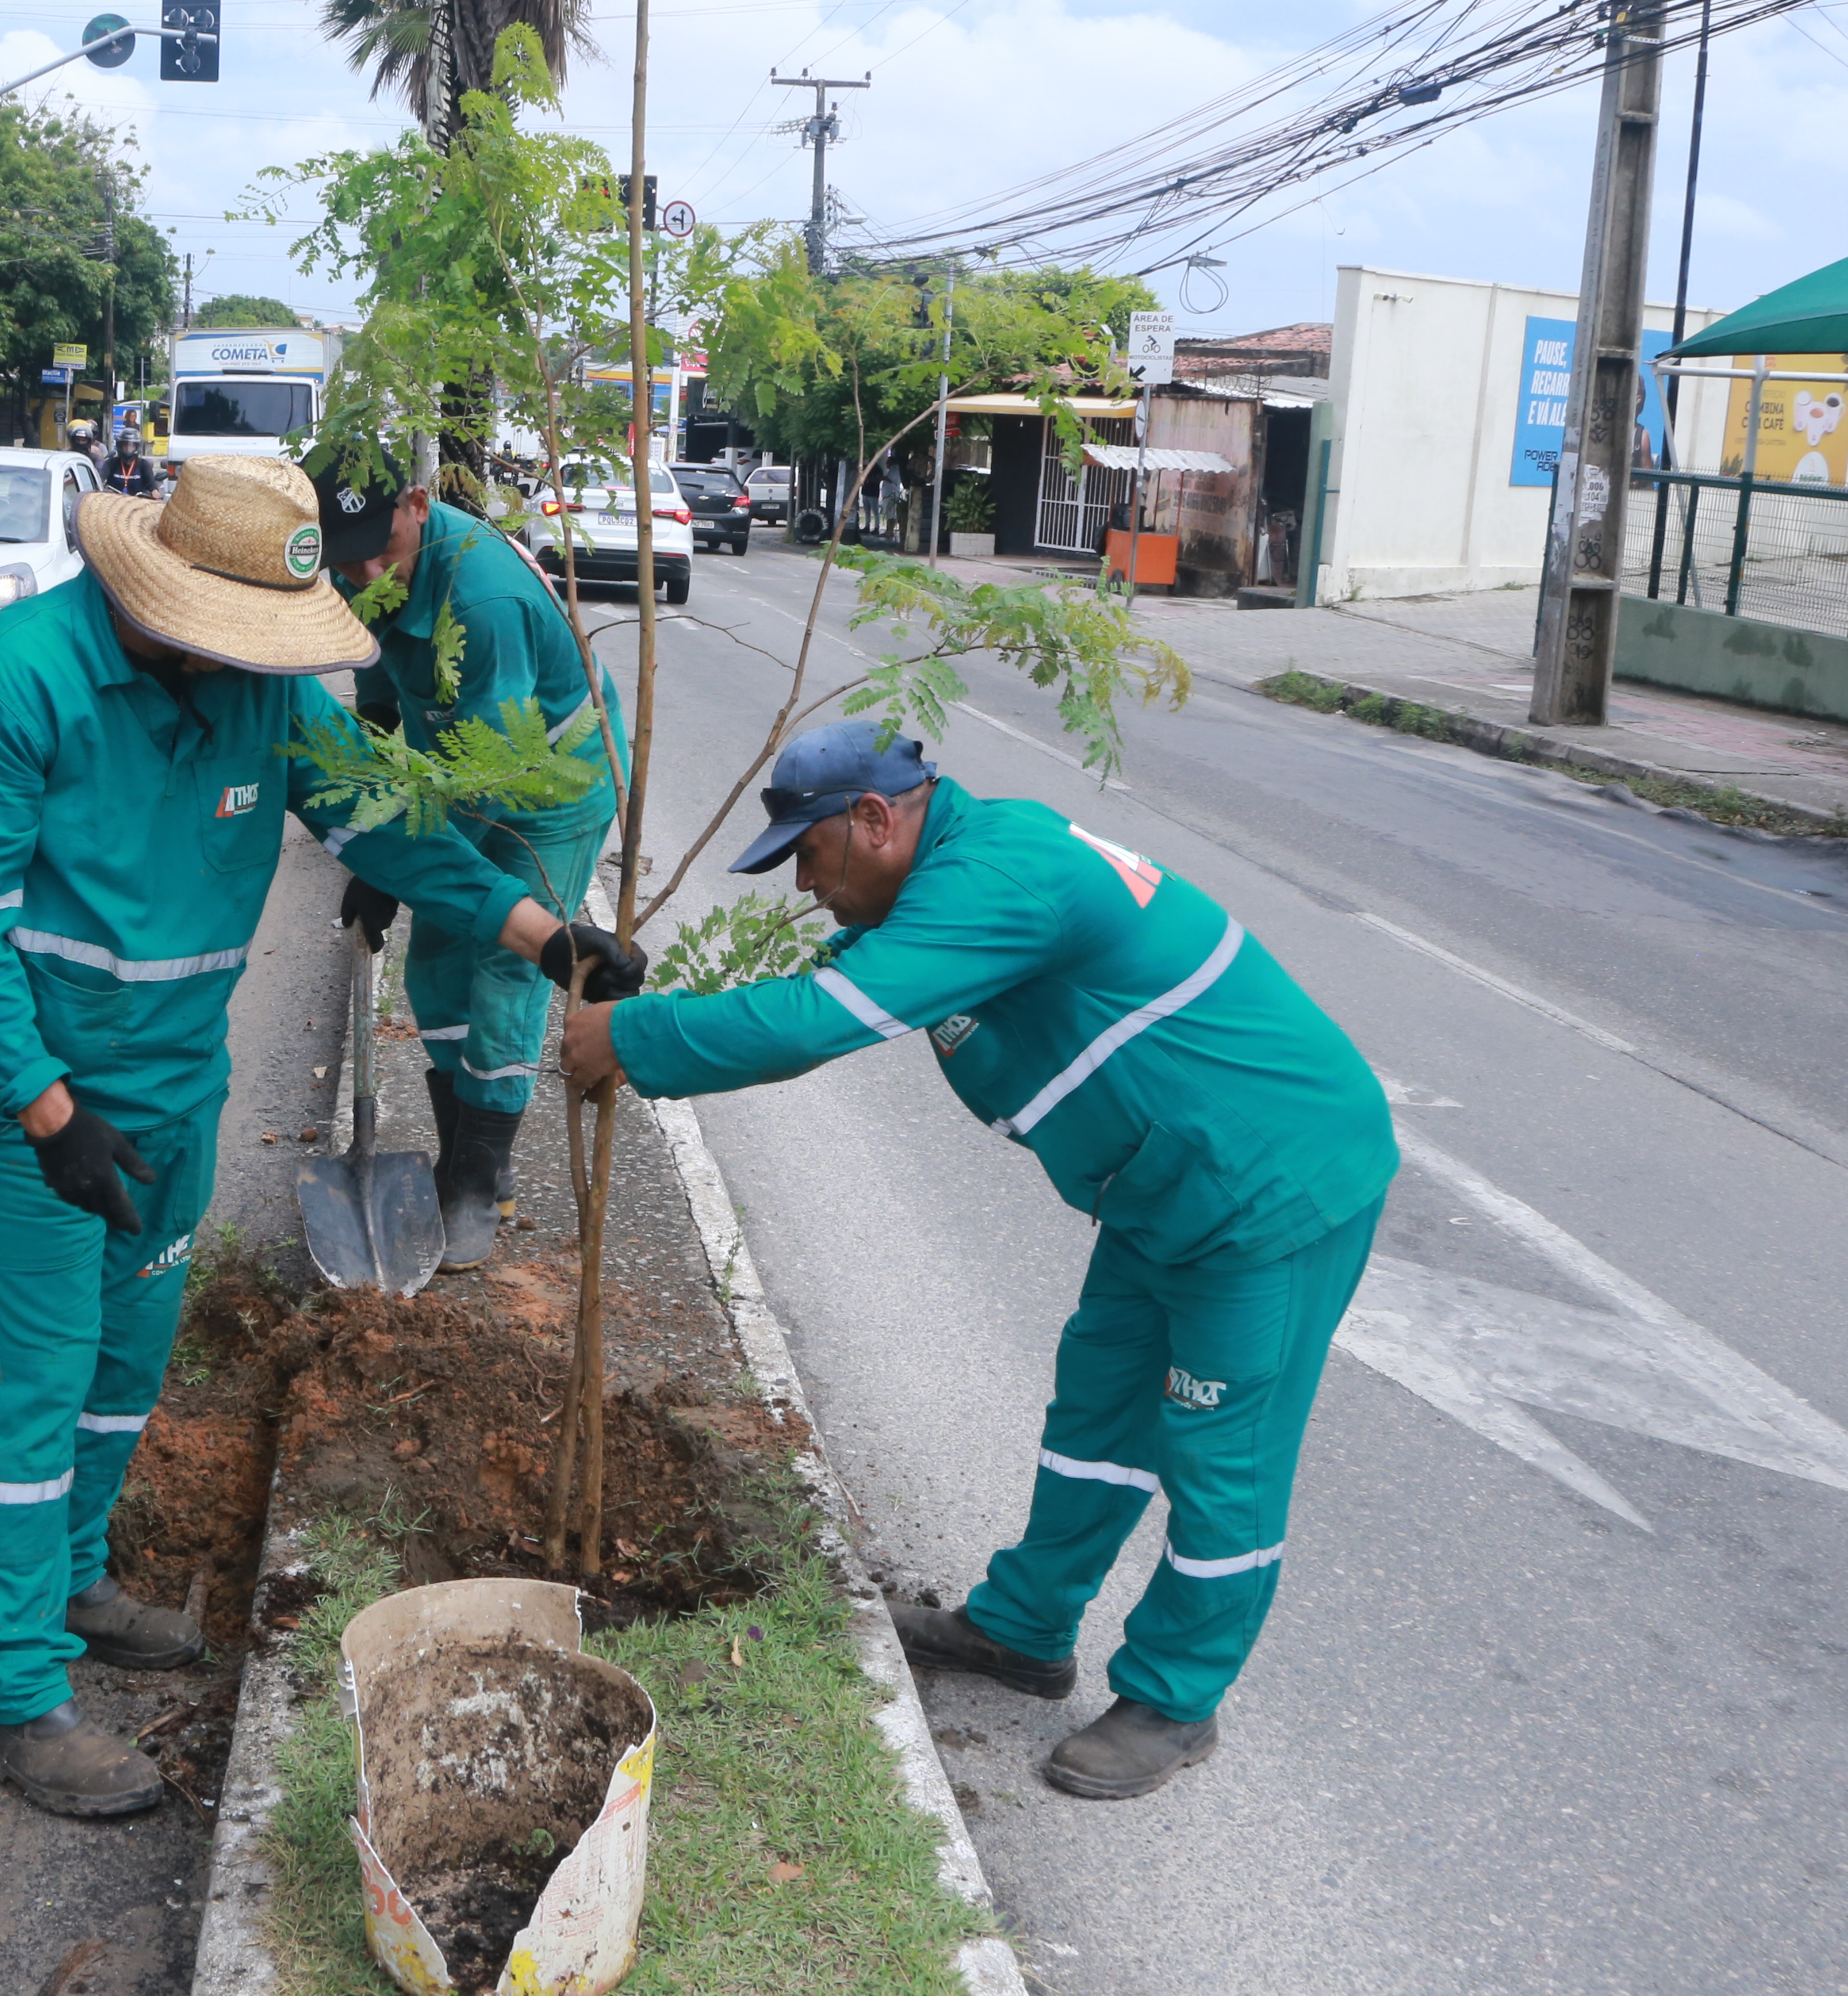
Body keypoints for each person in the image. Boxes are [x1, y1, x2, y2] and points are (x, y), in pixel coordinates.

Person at [0, 455, 644, 1817]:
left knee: (129, 1356)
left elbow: (395, 829)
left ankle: (74, 1580)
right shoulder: (16, 680)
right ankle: (18, 1699)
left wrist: (550, 936)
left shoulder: (264, 694)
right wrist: (49, 1111)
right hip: (42, 1098)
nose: (256, 661)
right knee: (37, 1374)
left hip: (178, 1079)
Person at [560, 722, 1393, 1800]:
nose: (806, 887)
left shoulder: (1001, 880)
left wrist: (630, 1039)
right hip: (1166, 1190)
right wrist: (658, 1028)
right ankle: (1023, 1631)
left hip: (1271, 1188)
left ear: (876, 819)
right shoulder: (945, 884)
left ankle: (1178, 1700)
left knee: (1219, 1456)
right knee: (1099, 1411)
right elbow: (822, 996)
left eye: (810, 855)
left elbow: (819, 1022)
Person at [307, 449, 625, 1264]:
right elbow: (377, 702)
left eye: (382, 549)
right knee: (437, 963)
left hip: (549, 784)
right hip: (452, 783)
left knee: (508, 965)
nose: (369, 573)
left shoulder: (482, 598)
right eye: (349, 559)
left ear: (417, 504)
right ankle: (463, 1151)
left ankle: (479, 1183)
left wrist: (398, 863)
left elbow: (498, 767)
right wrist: (376, 847)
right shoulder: (355, 573)